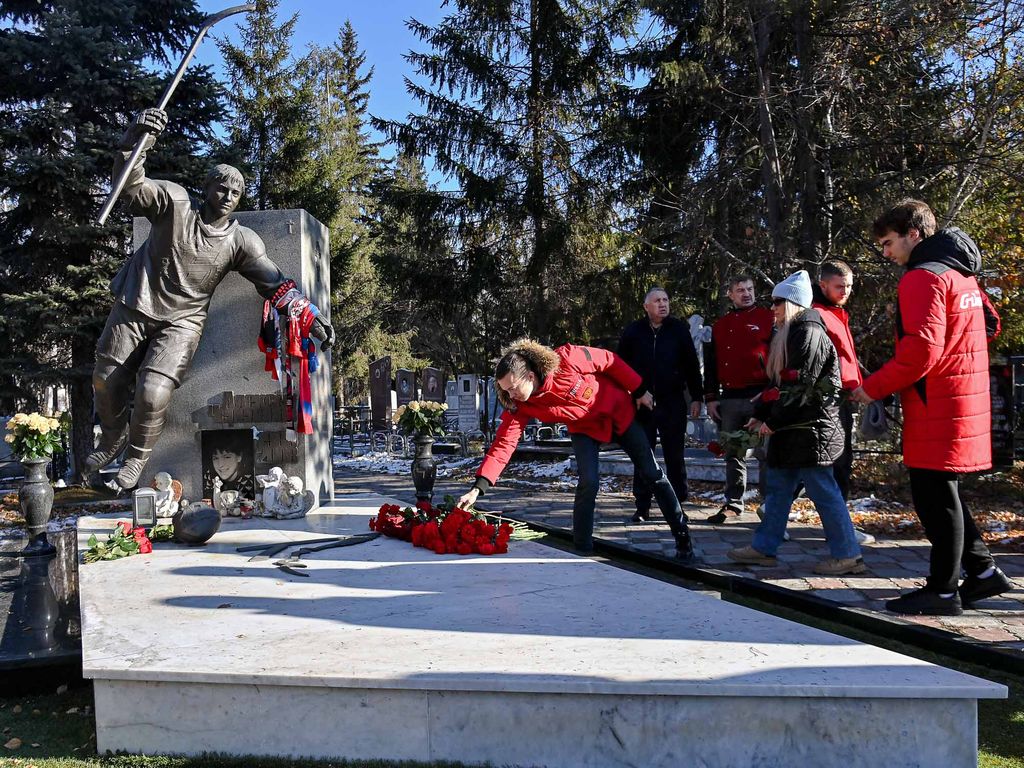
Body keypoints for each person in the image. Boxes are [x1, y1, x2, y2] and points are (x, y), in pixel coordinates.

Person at [86, 108, 333, 489]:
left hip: (183, 321)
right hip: (136, 303)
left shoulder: (241, 241)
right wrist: (136, 138)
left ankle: (135, 458)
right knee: (105, 380)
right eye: (222, 188)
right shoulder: (175, 202)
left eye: (236, 193)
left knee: (154, 391)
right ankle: (113, 436)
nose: (228, 197)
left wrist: (309, 316)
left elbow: (273, 282)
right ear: (206, 187)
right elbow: (132, 189)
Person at [852, 199, 1010, 615]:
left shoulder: (921, 278)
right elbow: (989, 327)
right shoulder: (962, 276)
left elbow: (920, 353)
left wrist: (872, 388)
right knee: (946, 492)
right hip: (962, 397)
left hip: (936, 402)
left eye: (888, 243)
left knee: (934, 498)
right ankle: (982, 573)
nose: (885, 253)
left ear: (913, 234)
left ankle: (942, 591)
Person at [456, 338, 696, 561]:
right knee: (588, 482)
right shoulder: (521, 404)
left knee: (651, 472)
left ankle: (681, 533)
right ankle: (582, 549)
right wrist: (478, 489)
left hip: (619, 413)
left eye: (513, 387)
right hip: (584, 427)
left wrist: (640, 390)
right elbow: (505, 442)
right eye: (506, 391)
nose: (511, 395)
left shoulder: (567, 358)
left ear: (530, 375)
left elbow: (609, 361)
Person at [727, 270, 865, 576]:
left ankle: (847, 554)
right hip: (795, 430)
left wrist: (772, 421)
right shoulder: (790, 332)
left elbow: (799, 387)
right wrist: (761, 414)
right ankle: (764, 548)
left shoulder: (809, 331)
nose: (772, 307)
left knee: (823, 491)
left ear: (791, 303)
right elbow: (777, 383)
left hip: (810, 430)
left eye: (778, 301)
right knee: (777, 488)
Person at [616, 287, 704, 522]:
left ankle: (677, 506)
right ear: (646, 307)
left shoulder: (679, 330)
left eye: (666, 299)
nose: (663, 304)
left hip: (673, 401)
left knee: (675, 455)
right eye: (657, 301)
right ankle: (642, 505)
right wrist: (631, 394)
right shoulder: (633, 331)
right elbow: (620, 367)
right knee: (642, 454)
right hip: (640, 403)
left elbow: (691, 366)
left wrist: (697, 397)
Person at [811, 262, 876, 547]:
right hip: (831, 399)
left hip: (845, 395)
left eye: (849, 286)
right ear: (823, 285)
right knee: (836, 463)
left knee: (833, 462)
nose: (846, 291)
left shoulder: (838, 313)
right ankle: (842, 530)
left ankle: (778, 506)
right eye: (840, 286)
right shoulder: (817, 314)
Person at [703, 275, 774, 522]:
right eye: (740, 290)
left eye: (750, 289)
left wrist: (771, 394)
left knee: (767, 454)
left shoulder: (769, 318)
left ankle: (770, 505)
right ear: (730, 295)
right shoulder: (720, 325)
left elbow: (778, 359)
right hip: (730, 398)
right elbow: (711, 365)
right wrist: (711, 397)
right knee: (733, 453)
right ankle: (733, 503)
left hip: (761, 396)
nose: (746, 294)